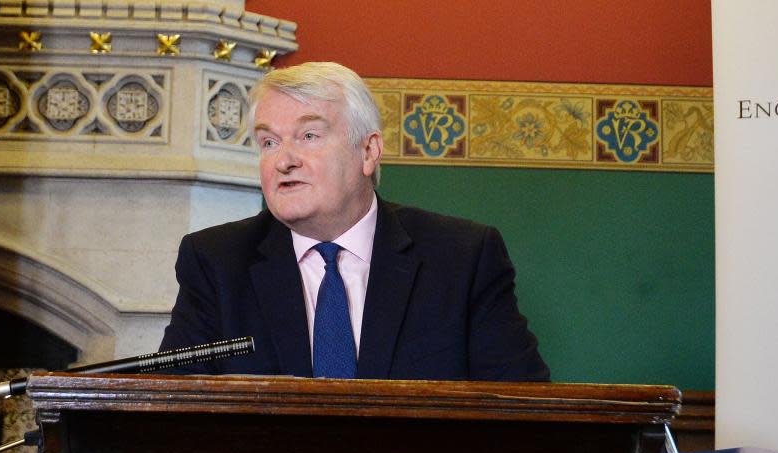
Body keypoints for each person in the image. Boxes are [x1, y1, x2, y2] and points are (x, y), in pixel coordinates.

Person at [159, 62, 549, 381]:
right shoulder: (216, 262)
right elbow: (172, 407)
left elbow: (525, 413)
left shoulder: (462, 259)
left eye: (308, 135)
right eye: (269, 142)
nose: (283, 160)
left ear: (368, 151)